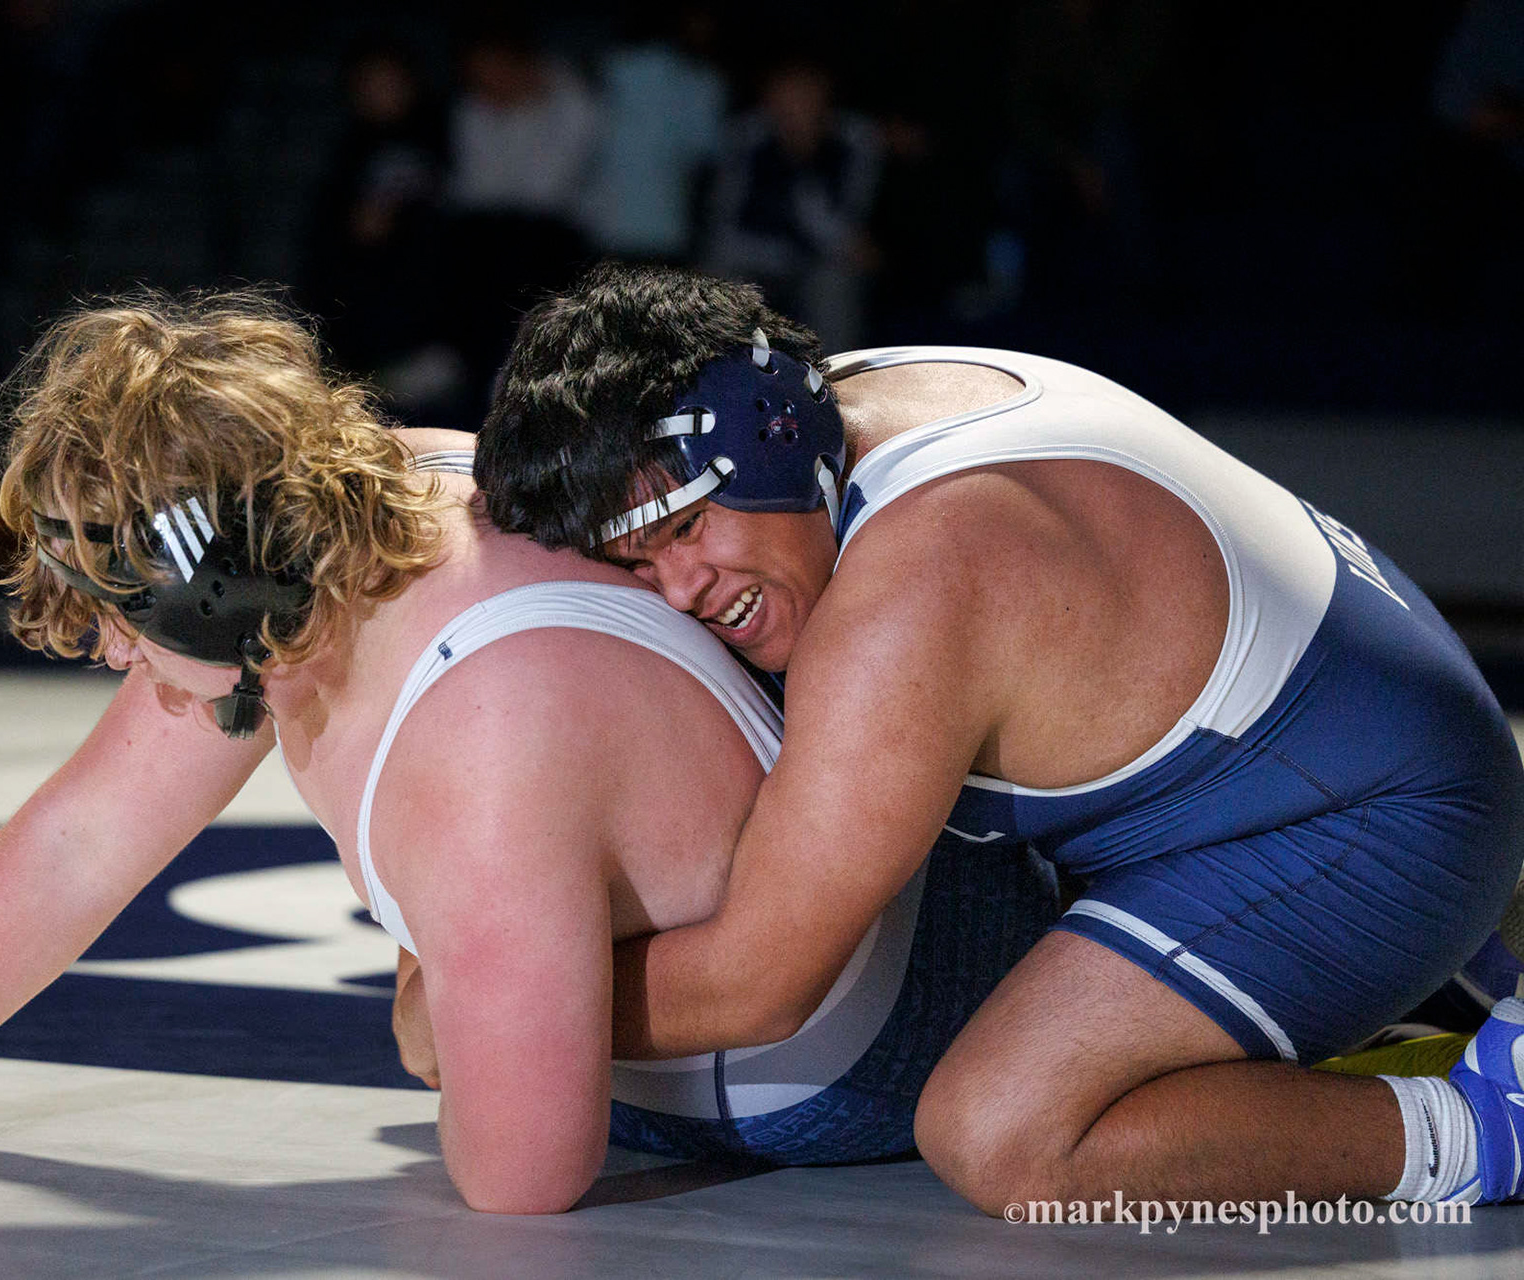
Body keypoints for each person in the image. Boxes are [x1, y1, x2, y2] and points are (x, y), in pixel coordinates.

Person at [0, 291, 1056, 1214]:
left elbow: (521, 1177)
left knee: (445, 1051)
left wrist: (430, 989)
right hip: (912, 897)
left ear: (212, 583)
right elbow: (83, 833)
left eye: (122, 619)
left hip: (864, 1051)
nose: (113, 657)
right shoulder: (395, 491)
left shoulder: (475, 759)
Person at [474, 262, 1524, 1211]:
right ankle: (1413, 995)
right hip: (1337, 729)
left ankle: (1488, 1131)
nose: (685, 591)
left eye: (687, 530)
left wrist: (501, 996)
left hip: (1376, 820)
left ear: (765, 441)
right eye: (640, 567)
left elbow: (761, 981)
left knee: (1006, 1133)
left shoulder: (915, 581)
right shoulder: (831, 399)